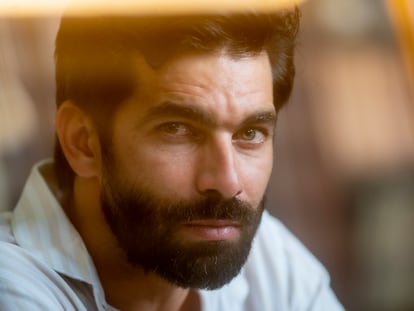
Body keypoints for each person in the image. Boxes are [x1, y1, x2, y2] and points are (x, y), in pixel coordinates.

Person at [0, 7, 344, 311]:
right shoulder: (11, 285)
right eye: (178, 129)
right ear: (83, 143)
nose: (227, 183)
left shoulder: (268, 261)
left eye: (250, 133)